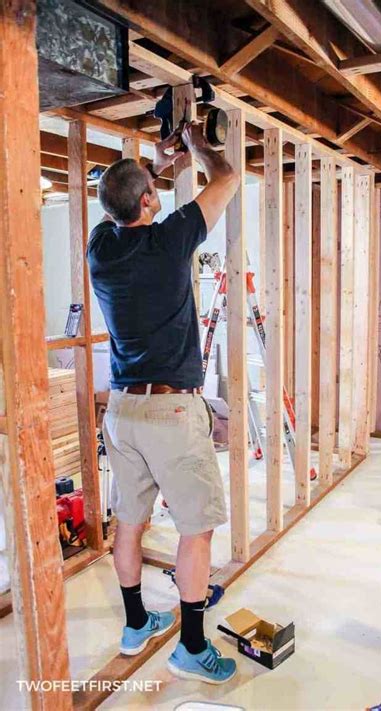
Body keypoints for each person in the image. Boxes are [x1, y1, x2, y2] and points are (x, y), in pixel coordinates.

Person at [87, 122, 239, 684]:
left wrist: (154, 166)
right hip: (171, 413)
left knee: (129, 522)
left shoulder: (100, 248)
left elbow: (123, 202)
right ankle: (192, 648)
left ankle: (135, 625)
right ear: (150, 201)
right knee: (196, 530)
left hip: (122, 412)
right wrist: (195, 141)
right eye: (152, 189)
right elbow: (226, 176)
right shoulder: (172, 239)